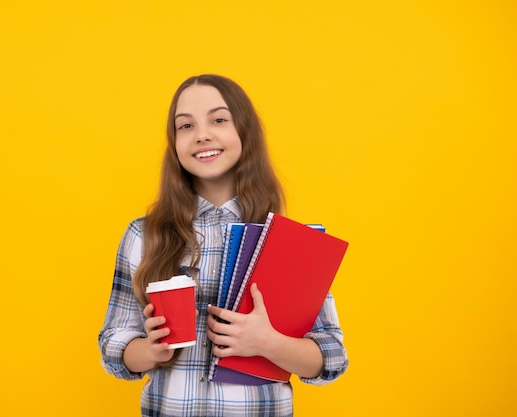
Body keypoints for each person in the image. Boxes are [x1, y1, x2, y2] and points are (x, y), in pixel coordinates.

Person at [98, 74, 348, 416]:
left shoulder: (289, 244)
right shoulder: (145, 234)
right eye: (185, 126)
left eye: (218, 119)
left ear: (244, 131)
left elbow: (331, 356)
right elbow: (113, 343)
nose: (202, 134)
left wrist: (267, 343)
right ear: (174, 144)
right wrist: (149, 349)